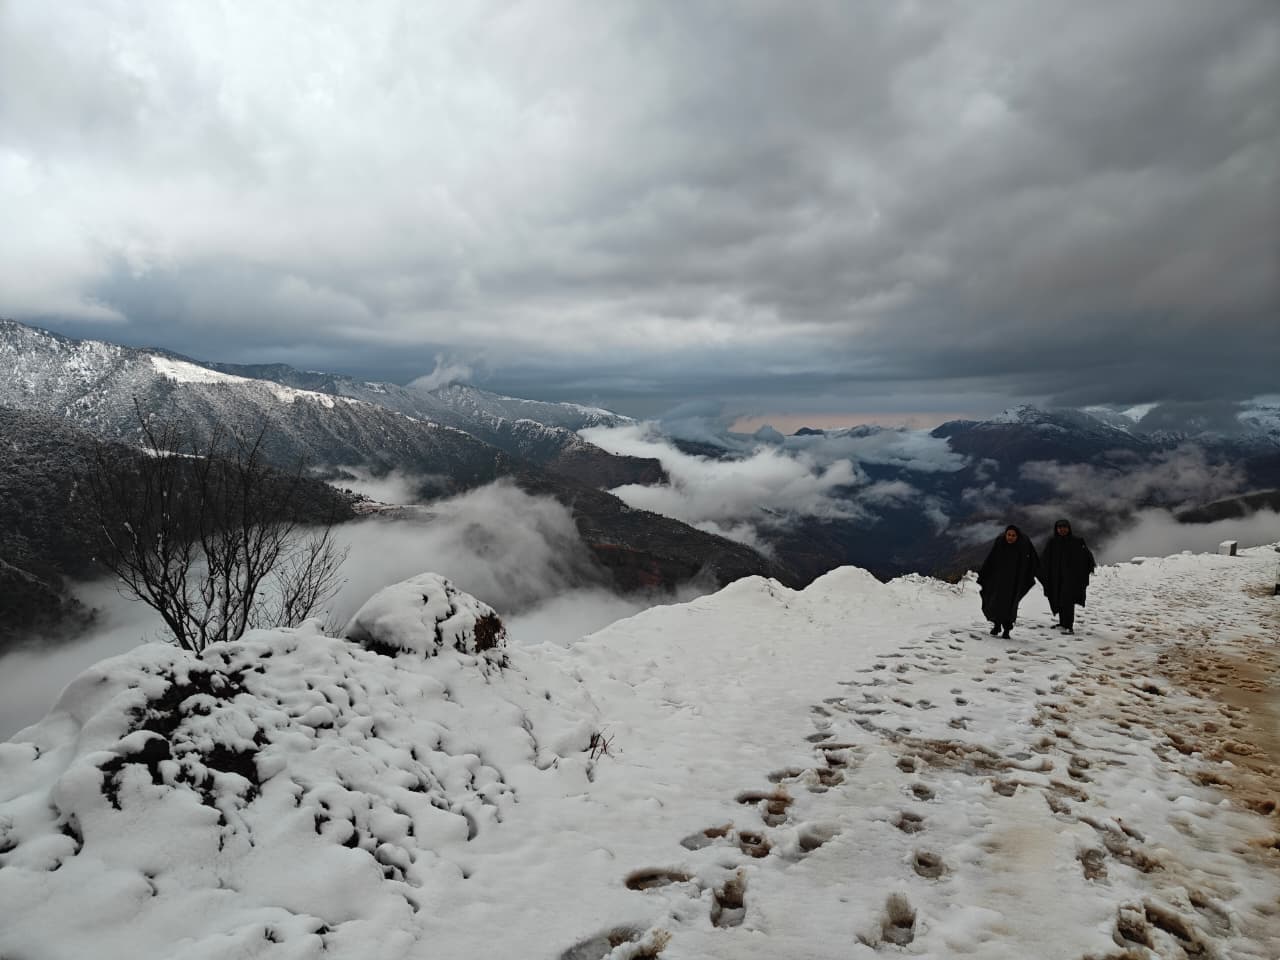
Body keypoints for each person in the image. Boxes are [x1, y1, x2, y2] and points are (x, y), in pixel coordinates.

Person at [978, 525, 1039, 639]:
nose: (1010, 538)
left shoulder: (1023, 546)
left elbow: (1031, 561)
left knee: (1010, 606)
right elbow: (992, 558)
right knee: (995, 603)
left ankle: (1007, 629)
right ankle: (996, 626)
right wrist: (985, 574)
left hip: (1014, 582)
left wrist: (1028, 576)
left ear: (1017, 536)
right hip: (999, 580)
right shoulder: (1000, 543)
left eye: (1013, 535)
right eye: (1008, 535)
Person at [1039, 518, 1096, 634]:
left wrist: (1083, 572)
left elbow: (1087, 558)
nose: (1062, 530)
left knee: (1068, 602)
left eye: (1064, 527)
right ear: (1056, 529)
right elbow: (1045, 559)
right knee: (1058, 600)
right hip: (1056, 578)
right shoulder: (1052, 542)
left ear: (1069, 528)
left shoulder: (1077, 541)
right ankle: (1062, 623)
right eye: (1059, 527)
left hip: (1071, 579)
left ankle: (1069, 626)